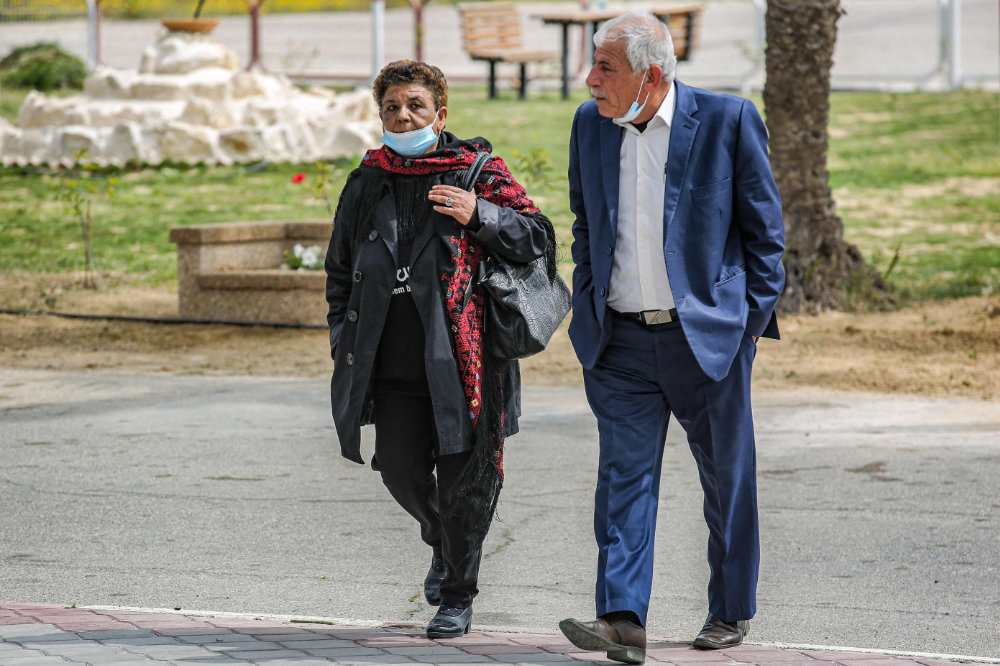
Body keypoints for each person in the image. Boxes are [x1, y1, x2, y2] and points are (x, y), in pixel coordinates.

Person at [557, 13, 786, 663]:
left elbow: (766, 235)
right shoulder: (588, 125)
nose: (590, 79)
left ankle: (729, 610)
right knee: (624, 481)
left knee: (726, 482)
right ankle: (624, 621)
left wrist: (743, 327)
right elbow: (584, 223)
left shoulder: (726, 120)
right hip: (619, 344)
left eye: (605, 67)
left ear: (650, 76)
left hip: (705, 340)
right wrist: (588, 302)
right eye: (593, 65)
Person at [324, 60, 554, 639]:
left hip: (463, 363)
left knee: (462, 482)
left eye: (415, 106)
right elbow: (339, 269)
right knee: (399, 471)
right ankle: (441, 540)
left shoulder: (475, 170)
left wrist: (481, 215)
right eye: (392, 107)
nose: (403, 116)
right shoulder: (365, 181)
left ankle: (457, 595)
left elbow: (538, 236)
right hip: (390, 362)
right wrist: (340, 335)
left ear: (440, 113)